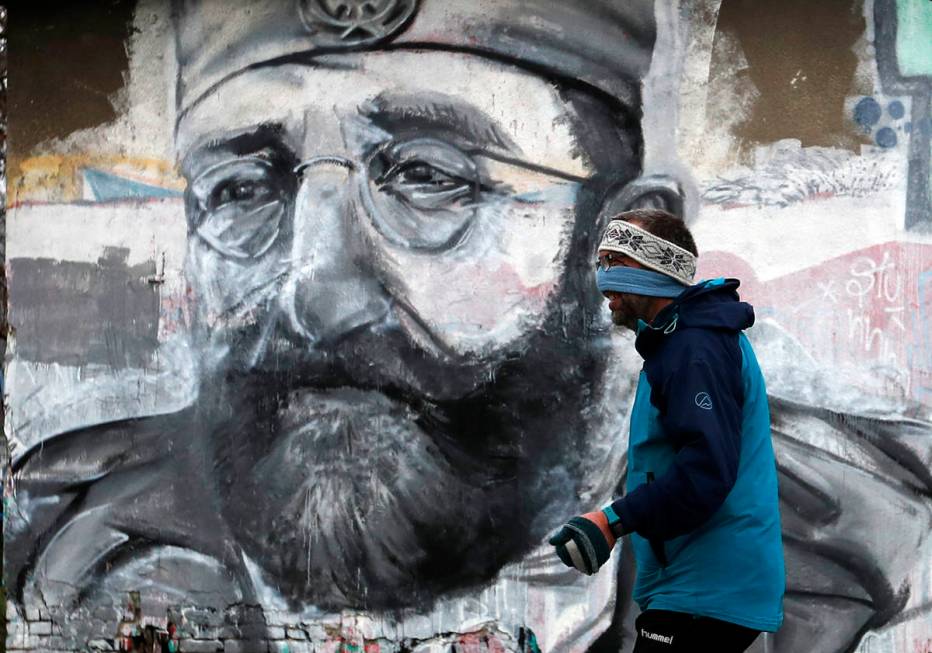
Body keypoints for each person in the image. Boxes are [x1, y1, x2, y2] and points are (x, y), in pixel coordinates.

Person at [6, 2, 932, 652]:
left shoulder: (881, 571)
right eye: (241, 190)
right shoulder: (61, 564)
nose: (315, 291)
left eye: (428, 176)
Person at [550, 209, 784, 652]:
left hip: (706, 586)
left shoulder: (695, 349)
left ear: (657, 268)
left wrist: (612, 520)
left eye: (614, 264)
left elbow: (705, 472)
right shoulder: (679, 343)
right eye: (600, 264)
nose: (603, 282)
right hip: (692, 582)